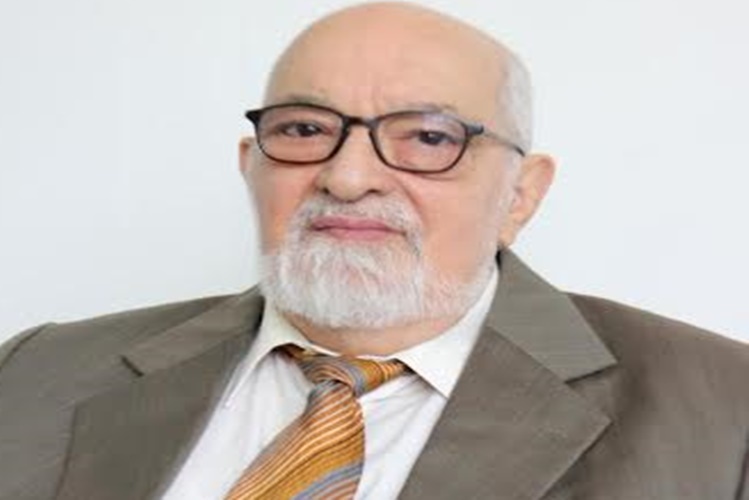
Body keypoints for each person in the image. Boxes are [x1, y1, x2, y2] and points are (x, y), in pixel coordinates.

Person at [1, 2, 747, 499]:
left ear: (521, 195)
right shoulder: (34, 373)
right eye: (303, 130)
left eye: (427, 137)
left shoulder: (724, 413)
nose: (348, 177)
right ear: (250, 167)